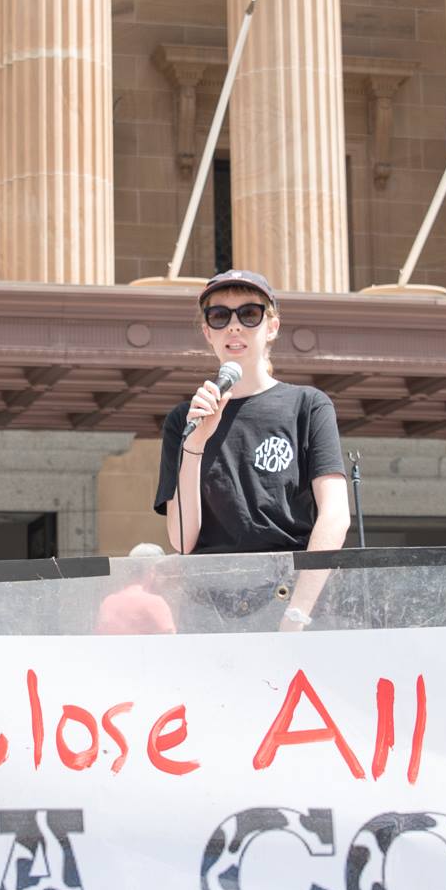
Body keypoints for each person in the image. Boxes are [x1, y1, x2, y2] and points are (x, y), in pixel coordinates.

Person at [153, 270, 349, 632]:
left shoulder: (307, 405)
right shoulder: (185, 419)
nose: (234, 327)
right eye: (219, 316)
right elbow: (182, 540)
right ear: (207, 331)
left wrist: (298, 612)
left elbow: (335, 515)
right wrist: (194, 445)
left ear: (271, 327)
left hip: (289, 595)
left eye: (249, 314)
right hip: (207, 605)